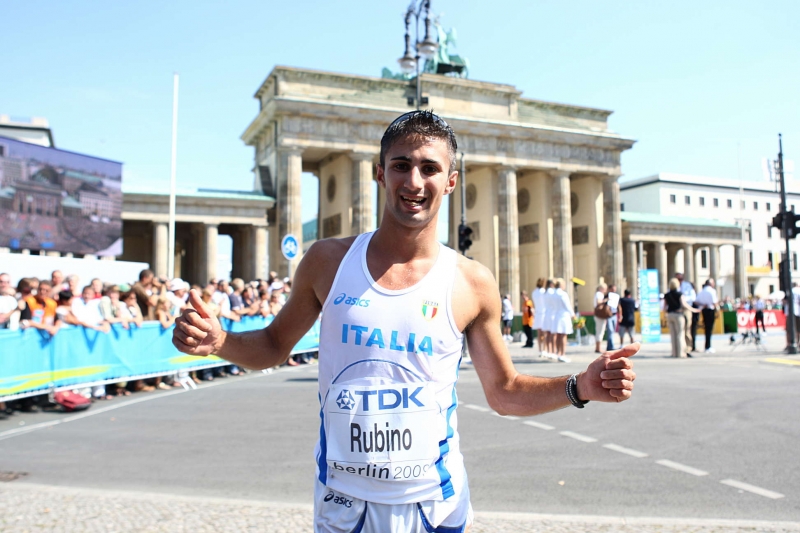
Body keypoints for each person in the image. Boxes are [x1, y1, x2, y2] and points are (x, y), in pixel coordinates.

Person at [172, 110, 638, 533]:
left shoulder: (471, 282)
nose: (414, 181)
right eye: (401, 165)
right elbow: (273, 344)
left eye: (430, 168)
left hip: (435, 509)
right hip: (344, 508)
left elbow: (505, 391)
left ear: (451, 181)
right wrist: (218, 340)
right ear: (380, 173)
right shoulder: (327, 262)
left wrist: (581, 386)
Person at [664, 278, 699, 358]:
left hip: (670, 315)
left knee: (673, 335)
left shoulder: (667, 295)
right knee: (680, 334)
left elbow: (664, 307)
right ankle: (680, 353)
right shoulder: (679, 294)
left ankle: (674, 353)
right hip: (678, 314)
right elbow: (684, 304)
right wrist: (693, 309)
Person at [549, 278, 574, 363]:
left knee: (558, 335)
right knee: (563, 335)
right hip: (563, 316)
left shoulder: (552, 294)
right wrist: (572, 314)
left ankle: (558, 352)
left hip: (556, 315)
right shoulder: (563, 294)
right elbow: (567, 305)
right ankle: (562, 354)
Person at [694, 278, 719, 353]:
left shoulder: (702, 291)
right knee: (709, 328)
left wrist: (703, 305)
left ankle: (707, 345)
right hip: (710, 310)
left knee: (706, 328)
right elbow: (715, 302)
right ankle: (708, 346)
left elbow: (696, 301)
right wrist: (717, 309)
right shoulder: (712, 291)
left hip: (704, 309)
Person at [675, 272, 696, 355]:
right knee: (679, 331)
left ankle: (688, 348)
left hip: (686, 309)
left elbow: (693, 297)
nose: (679, 281)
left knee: (687, 329)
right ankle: (680, 349)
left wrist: (683, 300)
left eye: (680, 279)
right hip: (677, 310)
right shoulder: (674, 287)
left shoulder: (687, 286)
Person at [531, 278, 546, 354]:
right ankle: (544, 349)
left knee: (539, 333)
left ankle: (540, 349)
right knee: (545, 333)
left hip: (538, 313)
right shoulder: (543, 292)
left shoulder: (534, 292)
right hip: (544, 313)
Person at [593, 283, 608, 354]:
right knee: (600, 331)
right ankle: (598, 347)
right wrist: (606, 300)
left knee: (599, 331)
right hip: (600, 314)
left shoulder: (597, 294)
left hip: (598, 314)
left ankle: (598, 347)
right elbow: (599, 302)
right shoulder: (599, 294)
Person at [605, 284, 620, 351]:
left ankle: (609, 346)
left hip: (614, 314)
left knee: (612, 331)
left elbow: (619, 305)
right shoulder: (607, 295)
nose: (614, 290)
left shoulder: (616, 296)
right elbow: (604, 304)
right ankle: (611, 346)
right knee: (610, 330)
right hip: (608, 315)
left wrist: (620, 315)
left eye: (615, 289)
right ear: (609, 289)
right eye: (612, 289)